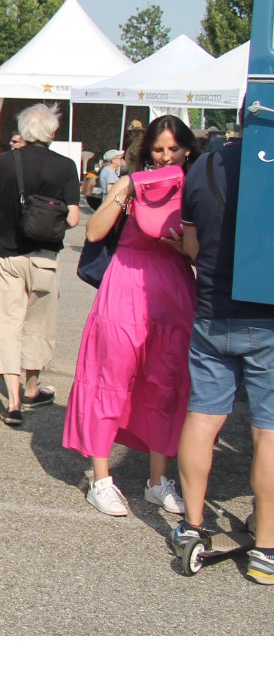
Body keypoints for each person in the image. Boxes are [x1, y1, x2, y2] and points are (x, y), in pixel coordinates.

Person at [63, 115, 198, 517]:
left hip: (172, 289)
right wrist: (126, 189)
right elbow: (93, 233)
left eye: (174, 149)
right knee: (110, 379)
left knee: (165, 383)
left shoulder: (191, 188)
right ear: (147, 150)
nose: (166, 156)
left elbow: (198, 251)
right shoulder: (130, 183)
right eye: (159, 149)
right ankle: (100, 478)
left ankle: (158, 480)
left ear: (187, 149)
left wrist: (181, 247)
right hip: (125, 285)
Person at [168, 126, 274, 584]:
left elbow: (190, 246)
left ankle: (191, 526)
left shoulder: (203, 166)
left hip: (212, 310)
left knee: (203, 417)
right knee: (267, 432)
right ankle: (266, 547)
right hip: (267, 315)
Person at [0, 104, 80, 428]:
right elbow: (73, 217)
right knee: (38, 327)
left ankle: (12, 403)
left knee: (7, 326)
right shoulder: (66, 167)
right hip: (44, 258)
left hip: (9, 256)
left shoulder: (4, 162)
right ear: (52, 132)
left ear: (23, 130)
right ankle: (32, 388)